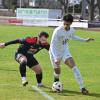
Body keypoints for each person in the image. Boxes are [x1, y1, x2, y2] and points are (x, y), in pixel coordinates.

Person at [49, 14, 94, 94]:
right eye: (65, 24)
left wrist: (84, 40)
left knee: (74, 67)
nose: (66, 26)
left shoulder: (72, 30)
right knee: (57, 71)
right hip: (54, 52)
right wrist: (56, 58)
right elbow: (52, 45)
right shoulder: (57, 31)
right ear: (63, 22)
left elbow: (73, 37)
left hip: (65, 51)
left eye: (68, 24)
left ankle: (82, 88)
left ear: (71, 23)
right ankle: (56, 82)